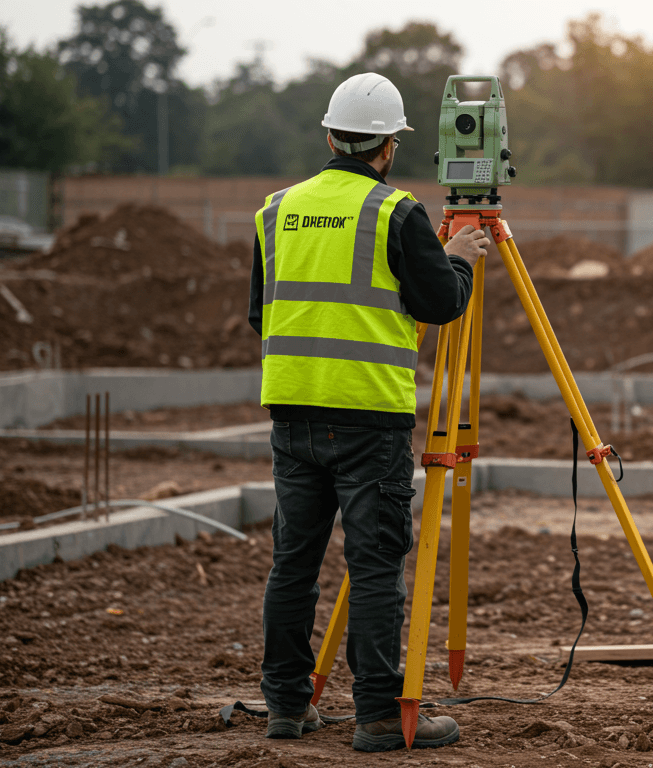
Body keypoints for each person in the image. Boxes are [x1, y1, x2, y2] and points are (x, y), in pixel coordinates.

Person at [247, 72, 489, 753]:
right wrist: (458, 259)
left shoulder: (275, 210)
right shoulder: (396, 213)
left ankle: (286, 706)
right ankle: (379, 714)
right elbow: (443, 304)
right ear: (389, 146)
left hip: (292, 411)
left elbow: (261, 314)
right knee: (376, 564)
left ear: (330, 137)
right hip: (369, 417)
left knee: (293, 563)